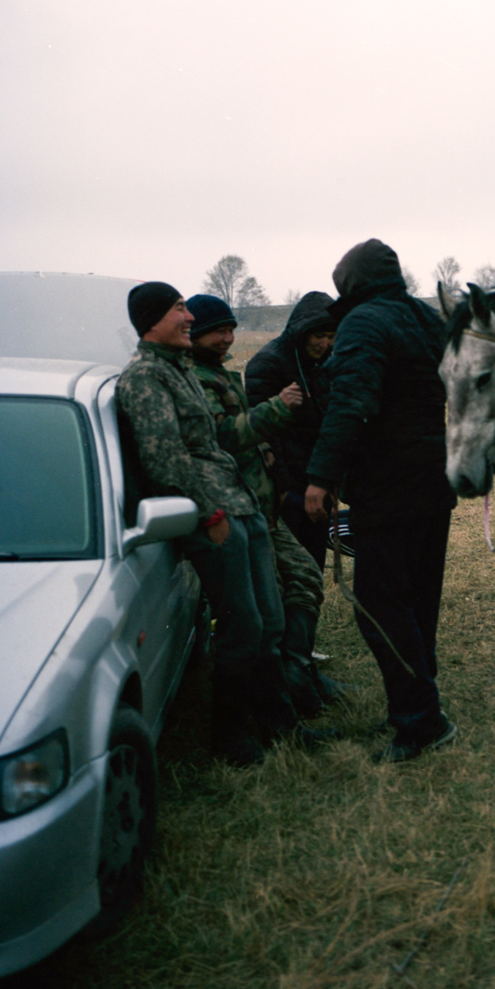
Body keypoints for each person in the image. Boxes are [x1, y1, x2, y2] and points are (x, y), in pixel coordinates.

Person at [115, 281, 333, 766]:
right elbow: (165, 460)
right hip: (217, 514)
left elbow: (213, 443)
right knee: (242, 627)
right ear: (152, 320)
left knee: (269, 621)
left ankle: (281, 727)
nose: (189, 317)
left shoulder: (178, 368)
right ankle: (231, 738)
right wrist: (209, 513)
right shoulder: (145, 378)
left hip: (243, 504)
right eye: (179, 309)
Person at [303, 240, 458, 763]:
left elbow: (352, 402)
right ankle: (419, 705)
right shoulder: (428, 319)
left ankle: (420, 720)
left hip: (388, 488)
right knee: (417, 602)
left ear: (351, 284)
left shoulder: (364, 323)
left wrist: (321, 476)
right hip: (436, 481)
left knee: (380, 606)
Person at [185, 293, 348, 717]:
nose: (227, 338)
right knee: (266, 608)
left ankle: (299, 675)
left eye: (231, 329)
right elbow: (235, 436)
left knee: (304, 579)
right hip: (256, 503)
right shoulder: (254, 368)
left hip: (271, 498)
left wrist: (321, 477)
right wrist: (290, 484)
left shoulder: (224, 374)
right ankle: (273, 705)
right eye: (218, 331)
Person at [245, 292, 336, 569]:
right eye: (319, 335)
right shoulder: (268, 364)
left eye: (331, 336)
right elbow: (265, 436)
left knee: (313, 564)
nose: (325, 343)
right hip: (285, 490)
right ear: (302, 330)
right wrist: (284, 490)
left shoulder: (323, 365)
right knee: (288, 570)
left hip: (316, 483)